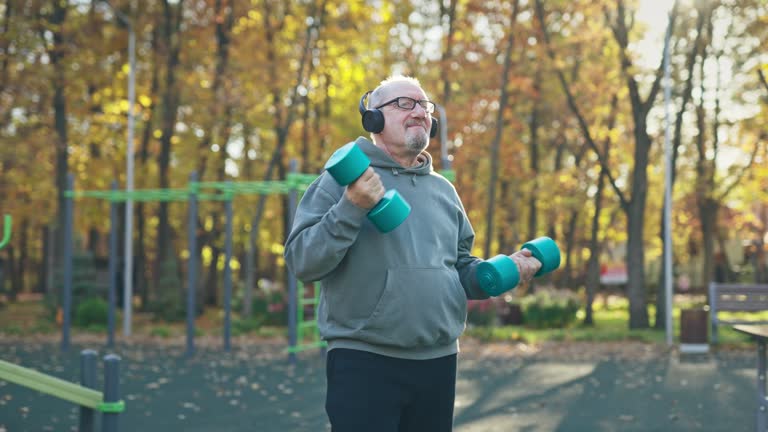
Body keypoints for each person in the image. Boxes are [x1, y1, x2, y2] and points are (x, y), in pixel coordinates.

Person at [283, 75, 542, 432]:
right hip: (365, 360)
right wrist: (350, 207)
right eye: (405, 103)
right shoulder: (341, 180)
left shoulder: (443, 190)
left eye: (424, 105)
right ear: (373, 119)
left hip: (438, 360)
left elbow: (460, 269)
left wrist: (505, 270)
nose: (419, 112)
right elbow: (302, 261)